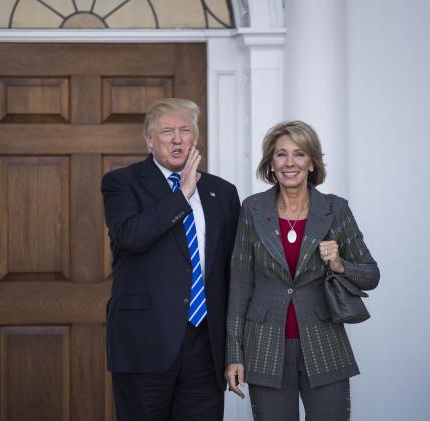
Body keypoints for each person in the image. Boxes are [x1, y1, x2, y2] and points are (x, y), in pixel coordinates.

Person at [224, 121, 380, 420]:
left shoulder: (335, 209)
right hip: (264, 346)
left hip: (323, 341)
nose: (290, 163)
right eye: (281, 154)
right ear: (271, 163)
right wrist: (234, 354)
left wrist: (339, 264)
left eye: (299, 154)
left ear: (312, 162)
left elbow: (371, 276)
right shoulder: (252, 209)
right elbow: (240, 284)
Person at [101, 98, 240, 421]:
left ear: (195, 139)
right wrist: (182, 195)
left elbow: (230, 271)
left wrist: (235, 348)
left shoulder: (223, 192)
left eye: (185, 131)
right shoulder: (122, 184)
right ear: (149, 140)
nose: (177, 139)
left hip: (206, 346)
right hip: (145, 343)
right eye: (167, 131)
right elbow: (132, 237)